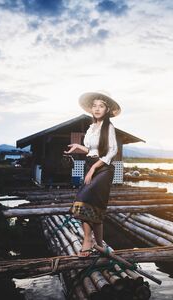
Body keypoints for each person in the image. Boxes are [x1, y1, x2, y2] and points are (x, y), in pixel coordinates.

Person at [64, 92, 120, 257]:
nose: (97, 109)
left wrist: (93, 169)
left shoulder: (108, 127)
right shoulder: (91, 128)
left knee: (84, 198)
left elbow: (112, 151)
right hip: (92, 164)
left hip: (103, 168)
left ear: (107, 109)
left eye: (101, 106)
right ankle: (100, 245)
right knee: (96, 205)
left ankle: (87, 240)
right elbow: (91, 150)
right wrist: (78, 147)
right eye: (94, 105)